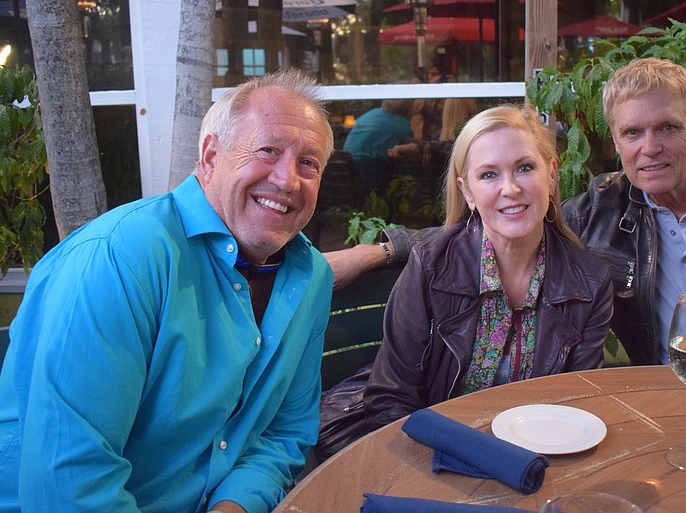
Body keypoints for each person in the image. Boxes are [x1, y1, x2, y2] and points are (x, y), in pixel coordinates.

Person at [326, 58, 686, 370]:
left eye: (668, 128)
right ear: (615, 140)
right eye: (633, 133)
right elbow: (504, 218)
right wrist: (377, 250)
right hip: (671, 403)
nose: (650, 148)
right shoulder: (606, 208)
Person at [0, 69, 336, 513]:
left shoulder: (309, 275)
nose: (288, 180)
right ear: (211, 156)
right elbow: (71, 484)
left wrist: (234, 505)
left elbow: (283, 432)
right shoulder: (118, 260)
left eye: (308, 163)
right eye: (267, 150)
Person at [362, 104, 613, 430]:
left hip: (540, 456)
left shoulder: (591, 282)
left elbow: (579, 407)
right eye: (489, 174)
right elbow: (390, 401)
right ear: (467, 191)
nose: (510, 189)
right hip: (436, 452)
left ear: (551, 176)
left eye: (524, 168)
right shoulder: (429, 268)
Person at [342, 98, 414, 193]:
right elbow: (412, 150)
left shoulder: (366, 116)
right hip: (371, 178)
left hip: (346, 177)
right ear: (407, 108)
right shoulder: (402, 125)